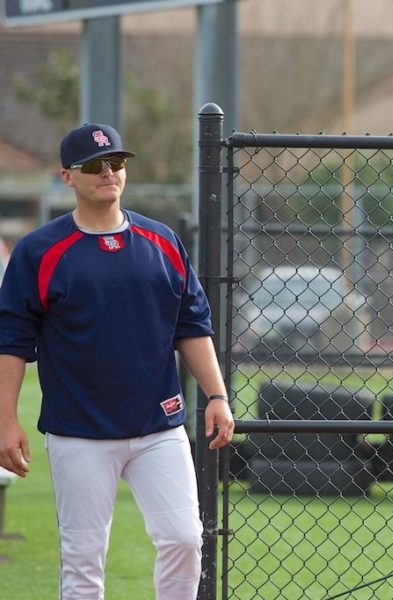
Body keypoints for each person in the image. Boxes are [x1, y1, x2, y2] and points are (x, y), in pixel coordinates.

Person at [0, 123, 235, 599]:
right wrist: (5, 420)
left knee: (185, 541)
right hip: (79, 431)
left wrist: (217, 395)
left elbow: (192, 324)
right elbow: (12, 340)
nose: (108, 173)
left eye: (117, 163)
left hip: (159, 425)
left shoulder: (162, 240)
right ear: (67, 177)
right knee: (84, 565)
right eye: (93, 165)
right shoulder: (39, 251)